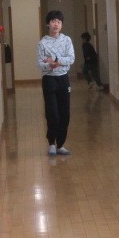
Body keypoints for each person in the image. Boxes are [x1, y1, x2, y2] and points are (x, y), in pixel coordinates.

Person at [37, 10, 75, 156]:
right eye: (53, 21)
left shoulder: (67, 40)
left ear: (61, 25)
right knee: (52, 113)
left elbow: (71, 58)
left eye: (59, 22)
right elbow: (40, 63)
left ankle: (61, 144)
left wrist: (56, 60)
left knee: (65, 113)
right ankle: (51, 143)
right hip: (49, 79)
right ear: (48, 24)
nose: (56, 24)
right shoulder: (42, 43)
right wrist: (49, 65)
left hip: (63, 79)